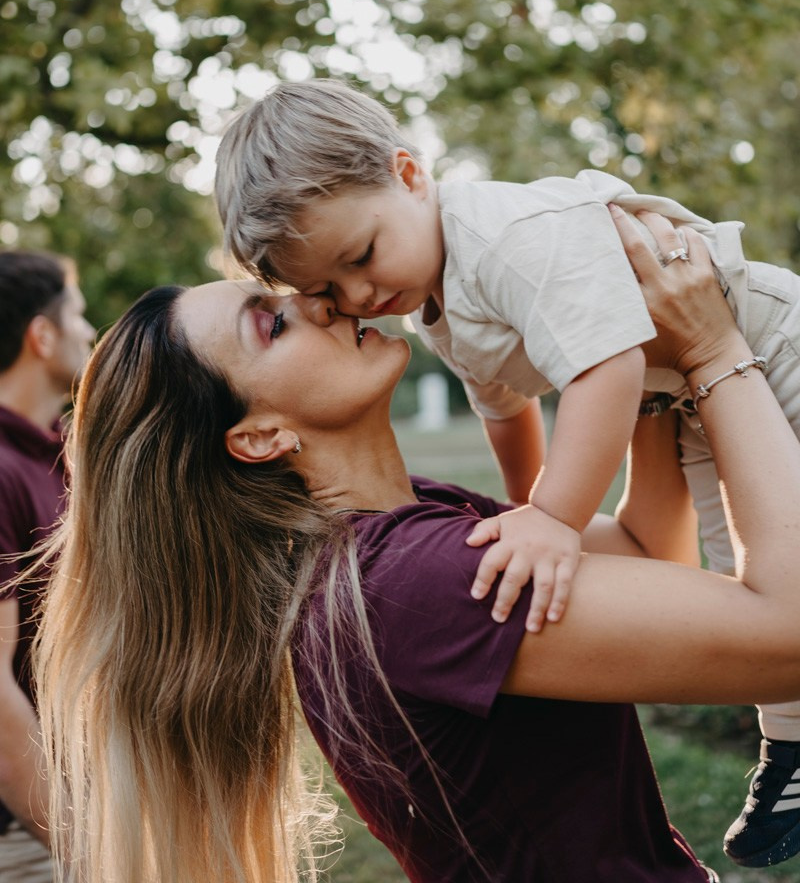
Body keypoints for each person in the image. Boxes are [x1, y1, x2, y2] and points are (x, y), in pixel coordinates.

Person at [32, 209, 800, 883]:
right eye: (272, 322)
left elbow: (644, 553)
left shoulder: (408, 525)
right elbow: (787, 636)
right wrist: (711, 347)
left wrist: (629, 339)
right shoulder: (407, 585)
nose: (318, 301)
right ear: (260, 436)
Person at [214, 79, 800, 868]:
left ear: (410, 174)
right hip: (700, 373)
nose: (356, 299)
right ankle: (793, 747)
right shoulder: (436, 307)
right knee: (744, 560)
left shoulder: (504, 238)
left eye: (359, 258)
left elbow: (609, 365)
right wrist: (536, 505)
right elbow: (503, 404)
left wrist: (553, 517)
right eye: (320, 290)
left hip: (769, 343)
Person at [0, 250, 94, 882]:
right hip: (33, 833)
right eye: (80, 316)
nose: (91, 332)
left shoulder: (55, 453)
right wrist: (93, 855)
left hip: (83, 802)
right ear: (42, 334)